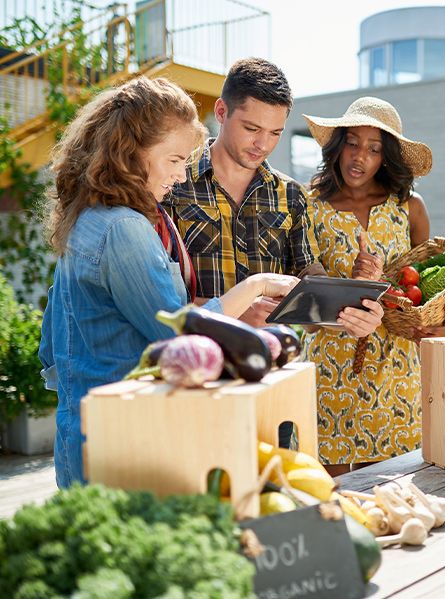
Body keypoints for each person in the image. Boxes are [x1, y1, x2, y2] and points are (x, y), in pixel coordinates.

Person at [38, 77, 299, 488]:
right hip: (125, 443)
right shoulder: (124, 228)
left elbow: (51, 348)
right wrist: (256, 285)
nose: (181, 175)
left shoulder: (91, 219)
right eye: (175, 160)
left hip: (87, 434)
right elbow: (176, 332)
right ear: (131, 153)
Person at [163, 57, 382, 337]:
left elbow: (311, 306)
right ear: (221, 111)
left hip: (273, 365)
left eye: (275, 133)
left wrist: (352, 308)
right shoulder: (173, 184)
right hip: (196, 362)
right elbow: (155, 300)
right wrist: (232, 310)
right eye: (252, 129)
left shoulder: (292, 196)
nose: (263, 144)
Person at [301, 96, 445, 475]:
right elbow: (307, 293)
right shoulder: (309, 206)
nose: (360, 157)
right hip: (331, 368)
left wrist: (383, 283)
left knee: (395, 489)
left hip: (395, 369)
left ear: (385, 156)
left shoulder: (409, 207)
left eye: (374, 149)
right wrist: (354, 285)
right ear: (338, 145)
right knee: (331, 492)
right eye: (353, 143)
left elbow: (422, 286)